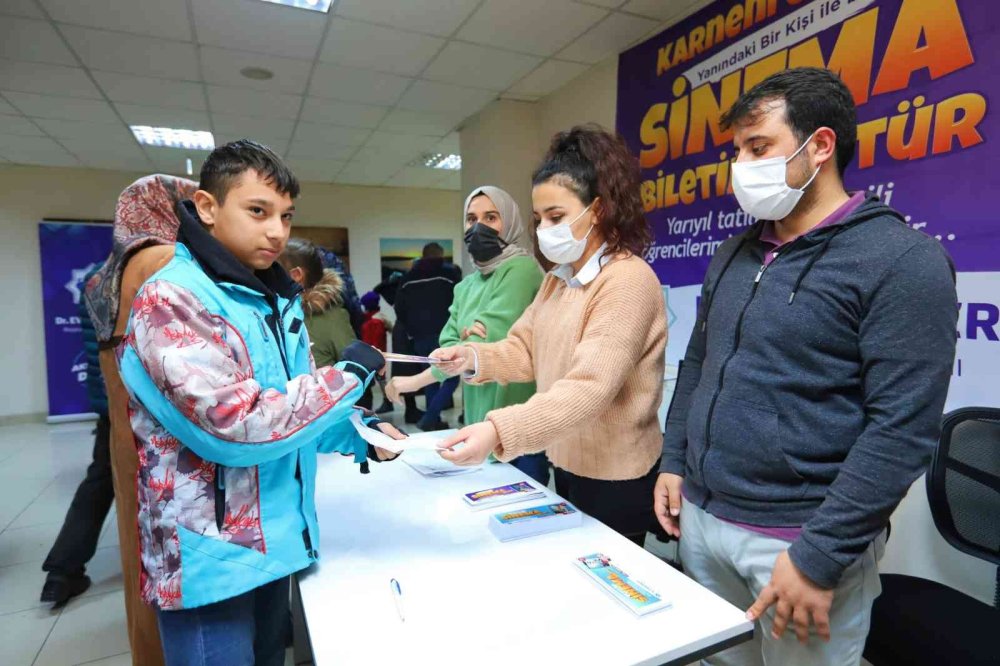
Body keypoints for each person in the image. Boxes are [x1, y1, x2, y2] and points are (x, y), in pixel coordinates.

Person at [653, 68, 958, 665]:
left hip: (798, 543)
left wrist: (819, 556)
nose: (740, 165)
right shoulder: (735, 252)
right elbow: (698, 363)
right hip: (704, 517)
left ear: (819, 146)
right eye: (737, 150)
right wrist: (674, 461)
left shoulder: (902, 261)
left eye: (757, 147)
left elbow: (902, 429)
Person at [115, 140, 402, 666]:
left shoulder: (267, 297)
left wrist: (359, 433)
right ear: (206, 207)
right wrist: (351, 376)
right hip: (211, 556)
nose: (277, 231)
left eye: (286, 216)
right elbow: (236, 424)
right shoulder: (173, 298)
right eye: (257, 211)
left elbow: (286, 401)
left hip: (278, 537)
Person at [432, 126, 668, 546]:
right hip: (567, 457)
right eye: (539, 219)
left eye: (556, 218)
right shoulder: (558, 282)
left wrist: (498, 431)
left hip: (616, 474)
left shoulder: (627, 281)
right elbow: (525, 348)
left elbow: (588, 389)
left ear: (597, 210)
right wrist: (472, 358)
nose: (543, 230)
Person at [385, 186, 548, 485]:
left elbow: (489, 343)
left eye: (491, 217)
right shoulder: (466, 285)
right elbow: (450, 348)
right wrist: (467, 342)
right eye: (471, 219)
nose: (478, 227)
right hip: (477, 420)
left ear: (509, 222)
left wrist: (464, 347)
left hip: (517, 425)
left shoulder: (522, 270)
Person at [40, 263, 114, 607]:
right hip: (137, 405)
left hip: (107, 401)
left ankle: (62, 572)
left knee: (98, 483)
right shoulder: (145, 271)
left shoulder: (96, 275)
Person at [392, 243, 463, 431]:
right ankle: (430, 417)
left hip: (419, 337)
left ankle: (433, 418)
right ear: (440, 255)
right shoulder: (448, 275)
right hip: (445, 334)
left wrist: (411, 330)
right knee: (452, 377)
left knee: (430, 377)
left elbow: (399, 307)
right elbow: (460, 301)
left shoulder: (407, 278)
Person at [279, 238, 357, 367]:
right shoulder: (272, 311)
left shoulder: (332, 317)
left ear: (297, 274)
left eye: (274, 268)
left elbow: (353, 370)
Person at [360, 291, 395, 414]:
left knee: (380, 380)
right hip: (378, 354)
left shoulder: (374, 322)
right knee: (381, 380)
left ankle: (388, 401)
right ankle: (388, 401)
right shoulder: (378, 318)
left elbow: (373, 341)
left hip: (374, 355)